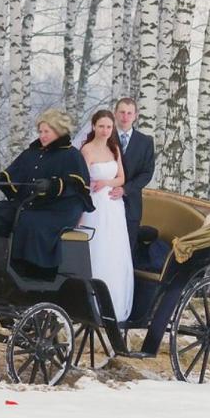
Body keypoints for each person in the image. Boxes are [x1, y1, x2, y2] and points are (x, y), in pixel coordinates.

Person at [0, 109, 95, 279]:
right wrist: (3, 179)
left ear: (58, 130)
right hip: (33, 204)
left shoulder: (71, 155)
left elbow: (78, 187)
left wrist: (54, 185)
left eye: (47, 131)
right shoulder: (33, 153)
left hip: (60, 209)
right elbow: (16, 171)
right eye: (40, 131)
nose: (42, 135)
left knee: (29, 222)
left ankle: (29, 271)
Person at [80, 110, 134, 322]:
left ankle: (114, 302)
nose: (105, 131)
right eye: (101, 126)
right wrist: (95, 185)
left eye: (108, 127)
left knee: (113, 251)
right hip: (95, 204)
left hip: (113, 206)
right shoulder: (87, 150)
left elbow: (121, 177)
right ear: (94, 127)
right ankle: (90, 301)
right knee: (97, 248)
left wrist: (106, 183)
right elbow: (83, 180)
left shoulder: (114, 149)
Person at [110, 97, 155, 256]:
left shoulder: (146, 142)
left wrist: (125, 189)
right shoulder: (105, 136)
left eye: (129, 113)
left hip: (131, 205)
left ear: (136, 115)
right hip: (107, 200)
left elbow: (147, 173)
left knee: (126, 251)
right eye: (122, 112)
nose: (125, 116)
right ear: (115, 113)